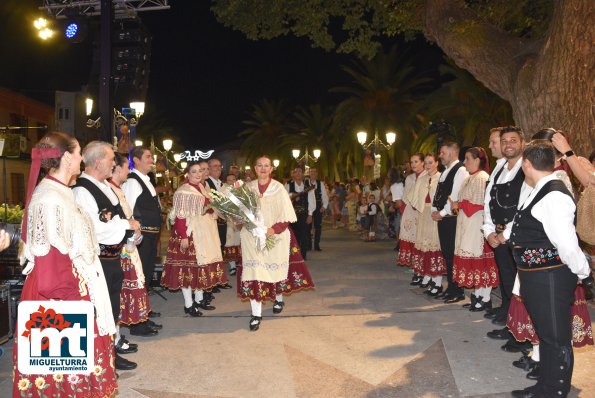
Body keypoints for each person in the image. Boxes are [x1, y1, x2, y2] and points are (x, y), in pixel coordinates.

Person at [13, 132, 117, 396]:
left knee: (72, 374)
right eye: (79, 152)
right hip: (59, 295)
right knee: (64, 375)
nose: (82, 158)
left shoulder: (61, 192)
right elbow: (50, 263)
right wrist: (76, 302)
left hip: (69, 287)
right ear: (68, 157)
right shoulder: (50, 198)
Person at [509, 140, 591, 398]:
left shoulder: (554, 194)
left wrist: (582, 272)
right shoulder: (541, 188)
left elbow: (566, 243)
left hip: (550, 277)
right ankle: (544, 386)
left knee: (556, 338)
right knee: (546, 336)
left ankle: (555, 391)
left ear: (527, 164)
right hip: (537, 276)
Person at [72, 141, 143, 371]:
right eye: (112, 159)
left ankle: (110, 352)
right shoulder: (82, 190)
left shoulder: (104, 186)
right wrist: (126, 224)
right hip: (98, 260)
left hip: (113, 259)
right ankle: (100, 360)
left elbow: (117, 219)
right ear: (99, 161)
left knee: (112, 309)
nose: (115, 163)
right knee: (98, 311)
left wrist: (131, 230)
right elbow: (95, 227)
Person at [238, 155, 313, 331]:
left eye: (266, 166)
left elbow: (286, 216)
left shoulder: (279, 188)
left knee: (276, 270)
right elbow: (240, 215)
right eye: (259, 165)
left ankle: (278, 298)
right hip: (252, 239)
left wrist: (271, 231)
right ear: (255, 168)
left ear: (271, 169)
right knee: (254, 273)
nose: (263, 169)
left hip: (275, 237)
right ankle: (256, 313)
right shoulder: (247, 188)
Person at [161, 160, 228, 316]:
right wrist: (183, 236)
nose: (198, 174)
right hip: (190, 235)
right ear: (187, 174)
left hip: (204, 234)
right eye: (194, 172)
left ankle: (198, 301)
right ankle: (188, 304)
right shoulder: (183, 191)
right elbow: (180, 216)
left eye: (200, 171)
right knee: (187, 271)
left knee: (199, 270)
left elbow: (210, 209)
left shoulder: (204, 188)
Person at [483, 126, 530, 332]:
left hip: (516, 235)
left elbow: (526, 206)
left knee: (520, 285)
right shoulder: (500, 169)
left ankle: (517, 325)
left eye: (513, 140)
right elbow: (488, 202)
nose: (508, 145)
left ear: (522, 143)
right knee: (506, 278)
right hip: (497, 235)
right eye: (504, 141)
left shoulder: (527, 168)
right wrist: (489, 231)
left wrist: (505, 234)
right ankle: (508, 316)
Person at [109, 153, 152, 354]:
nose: (128, 171)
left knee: (126, 291)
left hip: (129, 245)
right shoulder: (111, 188)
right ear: (117, 168)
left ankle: (118, 336)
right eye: (126, 167)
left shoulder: (118, 188)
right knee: (120, 293)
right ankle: (116, 339)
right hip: (120, 248)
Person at [451, 147, 498, 311]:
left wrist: (460, 204)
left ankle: (484, 298)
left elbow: (478, 206)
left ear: (477, 160)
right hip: (468, 225)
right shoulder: (471, 178)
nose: (465, 162)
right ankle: (478, 296)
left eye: (468, 159)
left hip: (477, 226)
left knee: (482, 263)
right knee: (477, 263)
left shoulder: (481, 178)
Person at [122, 146, 163, 329]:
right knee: (140, 276)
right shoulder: (132, 181)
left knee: (146, 274)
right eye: (148, 156)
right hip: (141, 237)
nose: (152, 160)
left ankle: (143, 311)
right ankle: (138, 323)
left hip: (150, 236)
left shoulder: (146, 180)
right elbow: (128, 210)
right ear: (136, 160)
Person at [431, 142, 469, 303]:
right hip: (443, 218)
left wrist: (442, 213)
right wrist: (434, 210)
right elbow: (440, 193)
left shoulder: (460, 170)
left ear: (453, 152)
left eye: (443, 152)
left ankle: (457, 290)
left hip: (451, 218)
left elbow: (455, 196)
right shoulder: (446, 171)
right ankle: (450, 287)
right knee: (447, 254)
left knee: (453, 254)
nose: (440, 155)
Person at [410, 154, 446, 295]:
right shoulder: (423, 178)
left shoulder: (441, 177)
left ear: (437, 163)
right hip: (423, 214)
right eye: (426, 163)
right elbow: (415, 197)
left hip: (435, 214)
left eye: (431, 162)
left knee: (434, 246)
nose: (428, 165)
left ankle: (437, 281)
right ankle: (427, 276)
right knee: (424, 246)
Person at [206, 157, 233, 290]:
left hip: (223, 222)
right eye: (214, 166)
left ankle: (220, 279)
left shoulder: (223, 185)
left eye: (219, 166)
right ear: (209, 169)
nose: (218, 168)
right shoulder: (205, 184)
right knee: (212, 253)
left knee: (220, 251)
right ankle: (213, 281)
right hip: (211, 223)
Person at [398, 153, 426, 274]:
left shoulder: (427, 176)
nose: (413, 164)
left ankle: (422, 264)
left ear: (422, 162)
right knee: (410, 237)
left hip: (423, 211)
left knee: (421, 238)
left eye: (416, 161)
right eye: (412, 162)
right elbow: (405, 196)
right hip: (410, 210)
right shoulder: (409, 178)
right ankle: (413, 264)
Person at [286, 165, 316, 259]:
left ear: (303, 174)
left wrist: (310, 214)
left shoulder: (308, 187)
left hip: (304, 215)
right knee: (294, 237)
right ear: (293, 175)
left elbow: (312, 201)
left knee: (304, 235)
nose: (298, 173)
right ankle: (295, 254)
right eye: (296, 172)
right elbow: (283, 200)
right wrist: (292, 196)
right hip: (292, 215)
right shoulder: (288, 186)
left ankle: (303, 255)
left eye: (300, 171)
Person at [223, 173, 242, 276]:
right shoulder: (224, 191)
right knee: (230, 242)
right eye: (229, 180)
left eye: (233, 179)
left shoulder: (242, 190)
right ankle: (232, 266)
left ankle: (240, 264)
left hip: (240, 220)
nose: (231, 182)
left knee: (240, 242)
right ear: (226, 181)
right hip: (229, 221)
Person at [306, 168, 329, 251]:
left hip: (318, 207)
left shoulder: (320, 183)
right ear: (309, 173)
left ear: (317, 174)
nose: (312, 173)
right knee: (307, 226)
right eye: (311, 172)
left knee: (318, 226)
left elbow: (325, 195)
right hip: (308, 207)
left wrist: (324, 206)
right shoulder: (305, 182)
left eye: (314, 172)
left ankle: (316, 245)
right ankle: (308, 245)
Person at [389, 167, 404, 250]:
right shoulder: (403, 183)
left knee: (398, 227)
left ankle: (401, 246)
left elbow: (399, 204)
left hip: (403, 211)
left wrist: (392, 207)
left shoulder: (395, 186)